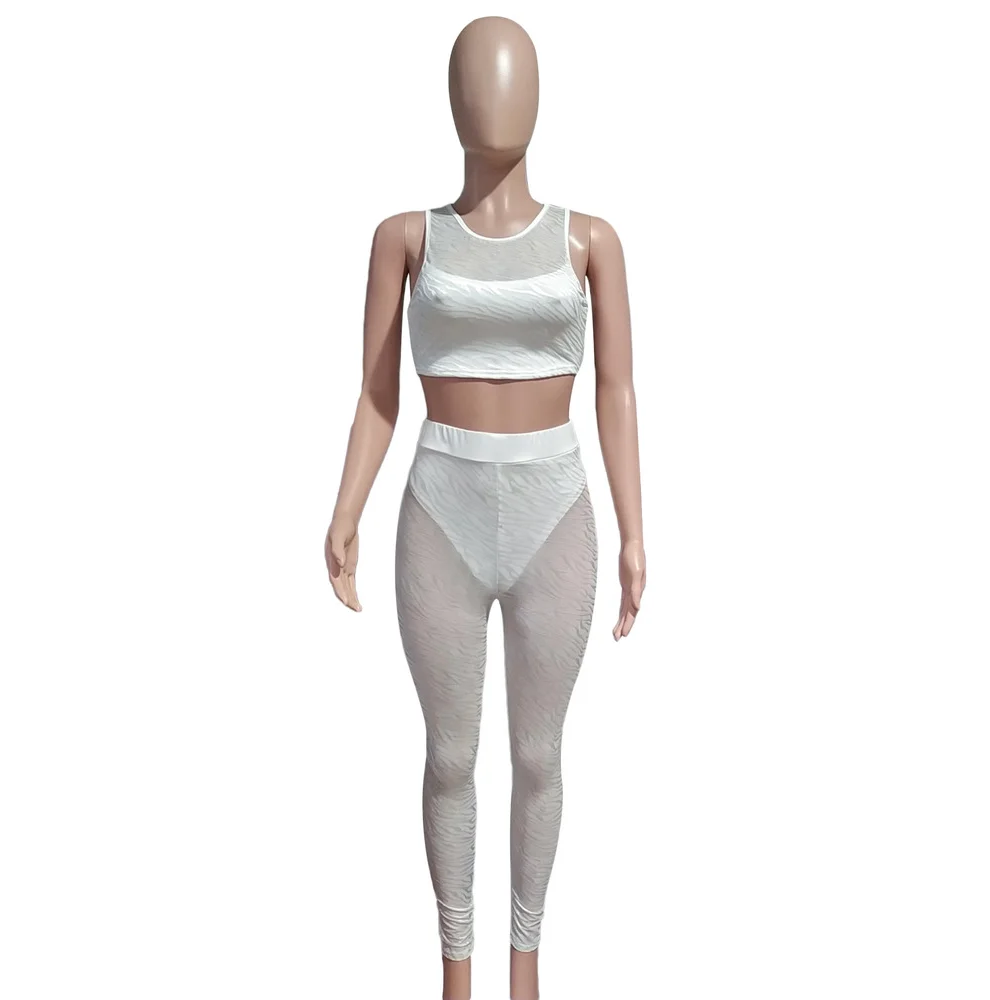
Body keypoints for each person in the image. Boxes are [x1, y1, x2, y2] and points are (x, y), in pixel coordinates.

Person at [325, 16, 646, 1000]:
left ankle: (527, 968)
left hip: (555, 509)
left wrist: (636, 531)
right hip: (441, 507)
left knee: (540, 756)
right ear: (452, 100)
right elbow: (377, 390)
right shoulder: (405, 237)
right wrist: (345, 509)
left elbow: (617, 391)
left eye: (511, 79)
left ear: (538, 97)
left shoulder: (590, 240)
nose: (494, 98)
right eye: (476, 80)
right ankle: (455, 971)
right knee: (450, 756)